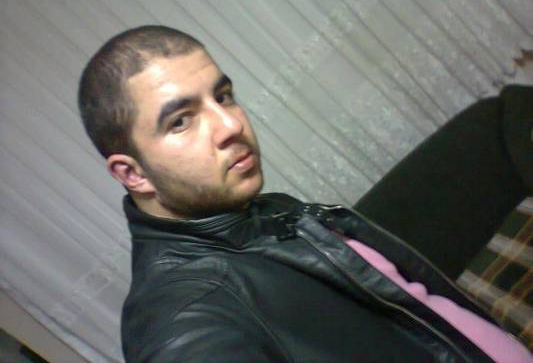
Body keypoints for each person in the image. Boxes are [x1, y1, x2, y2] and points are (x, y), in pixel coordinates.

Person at [78, 25, 532, 363]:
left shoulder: (261, 211)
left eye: (224, 96)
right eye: (181, 121)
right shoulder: (181, 318)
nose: (231, 125)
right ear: (133, 173)